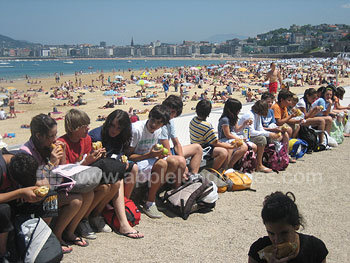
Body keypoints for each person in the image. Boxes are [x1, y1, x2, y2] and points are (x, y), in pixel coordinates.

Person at [21, 114, 92, 253]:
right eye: (51, 136)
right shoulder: (26, 153)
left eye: (56, 135)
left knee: (84, 195)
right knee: (73, 200)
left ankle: (65, 232)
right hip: (34, 197)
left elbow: (63, 171)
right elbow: (38, 183)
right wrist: (51, 163)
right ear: (38, 135)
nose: (55, 139)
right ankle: (54, 237)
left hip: (53, 188)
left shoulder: (47, 147)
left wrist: (62, 154)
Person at [58, 109, 117, 240]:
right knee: (89, 193)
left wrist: (97, 157)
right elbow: (65, 174)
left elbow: (89, 164)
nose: (88, 129)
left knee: (106, 187)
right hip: (70, 184)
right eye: (84, 127)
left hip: (85, 179)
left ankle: (88, 218)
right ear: (74, 128)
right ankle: (76, 225)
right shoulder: (63, 144)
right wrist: (87, 162)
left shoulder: (86, 139)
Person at [88, 110, 144, 238]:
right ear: (108, 123)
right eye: (112, 125)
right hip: (97, 170)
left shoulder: (120, 136)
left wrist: (120, 160)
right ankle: (123, 223)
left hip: (111, 166)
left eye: (118, 128)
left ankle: (123, 204)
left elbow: (118, 154)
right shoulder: (97, 136)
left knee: (134, 168)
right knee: (117, 179)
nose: (114, 130)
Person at [248, 191, 328, 263]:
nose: (277, 240)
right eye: (271, 233)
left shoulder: (315, 249)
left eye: (284, 233)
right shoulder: (257, 252)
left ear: (297, 225)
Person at [128, 105, 177, 219]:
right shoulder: (137, 130)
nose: (154, 125)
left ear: (163, 125)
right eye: (153, 120)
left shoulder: (157, 130)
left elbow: (150, 148)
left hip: (145, 159)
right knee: (162, 164)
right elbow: (128, 156)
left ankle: (149, 194)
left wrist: (158, 153)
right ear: (149, 117)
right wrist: (151, 154)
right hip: (134, 162)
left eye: (159, 123)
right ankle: (150, 201)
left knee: (173, 162)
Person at [0, 152, 43, 261]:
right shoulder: (2, 169)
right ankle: (3, 253)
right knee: (4, 210)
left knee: (50, 197)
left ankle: (42, 241)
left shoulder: (24, 162)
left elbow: (45, 184)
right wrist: (19, 192)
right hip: (4, 205)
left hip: (13, 200)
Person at [159, 95, 203, 176]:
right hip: (161, 154)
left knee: (198, 148)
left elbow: (176, 143)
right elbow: (167, 149)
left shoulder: (170, 121)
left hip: (167, 151)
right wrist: (182, 164)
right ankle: (181, 180)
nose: (169, 114)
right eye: (169, 111)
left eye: (172, 112)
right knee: (178, 162)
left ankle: (193, 175)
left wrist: (182, 160)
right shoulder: (161, 123)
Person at [189, 100, 236, 172]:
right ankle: (213, 171)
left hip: (194, 145)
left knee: (226, 148)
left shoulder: (193, 120)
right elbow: (215, 143)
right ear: (208, 113)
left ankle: (223, 170)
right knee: (223, 152)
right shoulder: (207, 125)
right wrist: (231, 146)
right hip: (203, 148)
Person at [238, 100, 280, 173]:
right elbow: (251, 132)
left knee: (269, 137)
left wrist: (270, 134)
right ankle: (259, 165)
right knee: (262, 139)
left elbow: (260, 128)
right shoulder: (250, 115)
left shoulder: (257, 115)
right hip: (243, 136)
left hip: (249, 135)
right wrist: (268, 134)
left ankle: (269, 160)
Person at [217, 98, 253, 168]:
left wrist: (244, 124)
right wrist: (240, 139)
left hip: (232, 137)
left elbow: (236, 130)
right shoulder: (225, 119)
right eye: (238, 109)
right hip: (224, 139)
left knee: (253, 146)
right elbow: (227, 134)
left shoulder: (234, 117)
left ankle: (239, 164)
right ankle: (230, 165)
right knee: (243, 147)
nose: (239, 111)